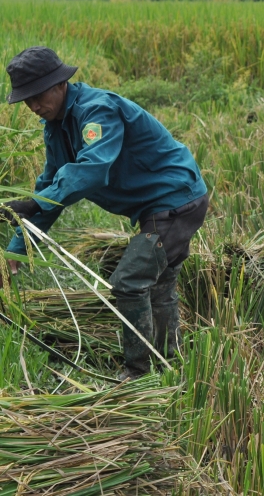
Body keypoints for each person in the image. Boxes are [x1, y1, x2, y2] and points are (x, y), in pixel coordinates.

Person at [1, 46, 208, 379]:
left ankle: (137, 375)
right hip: (157, 207)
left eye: (38, 96)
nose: (34, 107)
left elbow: (93, 169)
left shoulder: (96, 111)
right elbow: (52, 187)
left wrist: (34, 203)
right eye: (27, 101)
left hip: (176, 201)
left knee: (128, 282)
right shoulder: (55, 126)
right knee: (158, 286)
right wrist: (17, 249)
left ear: (59, 84)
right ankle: (171, 366)